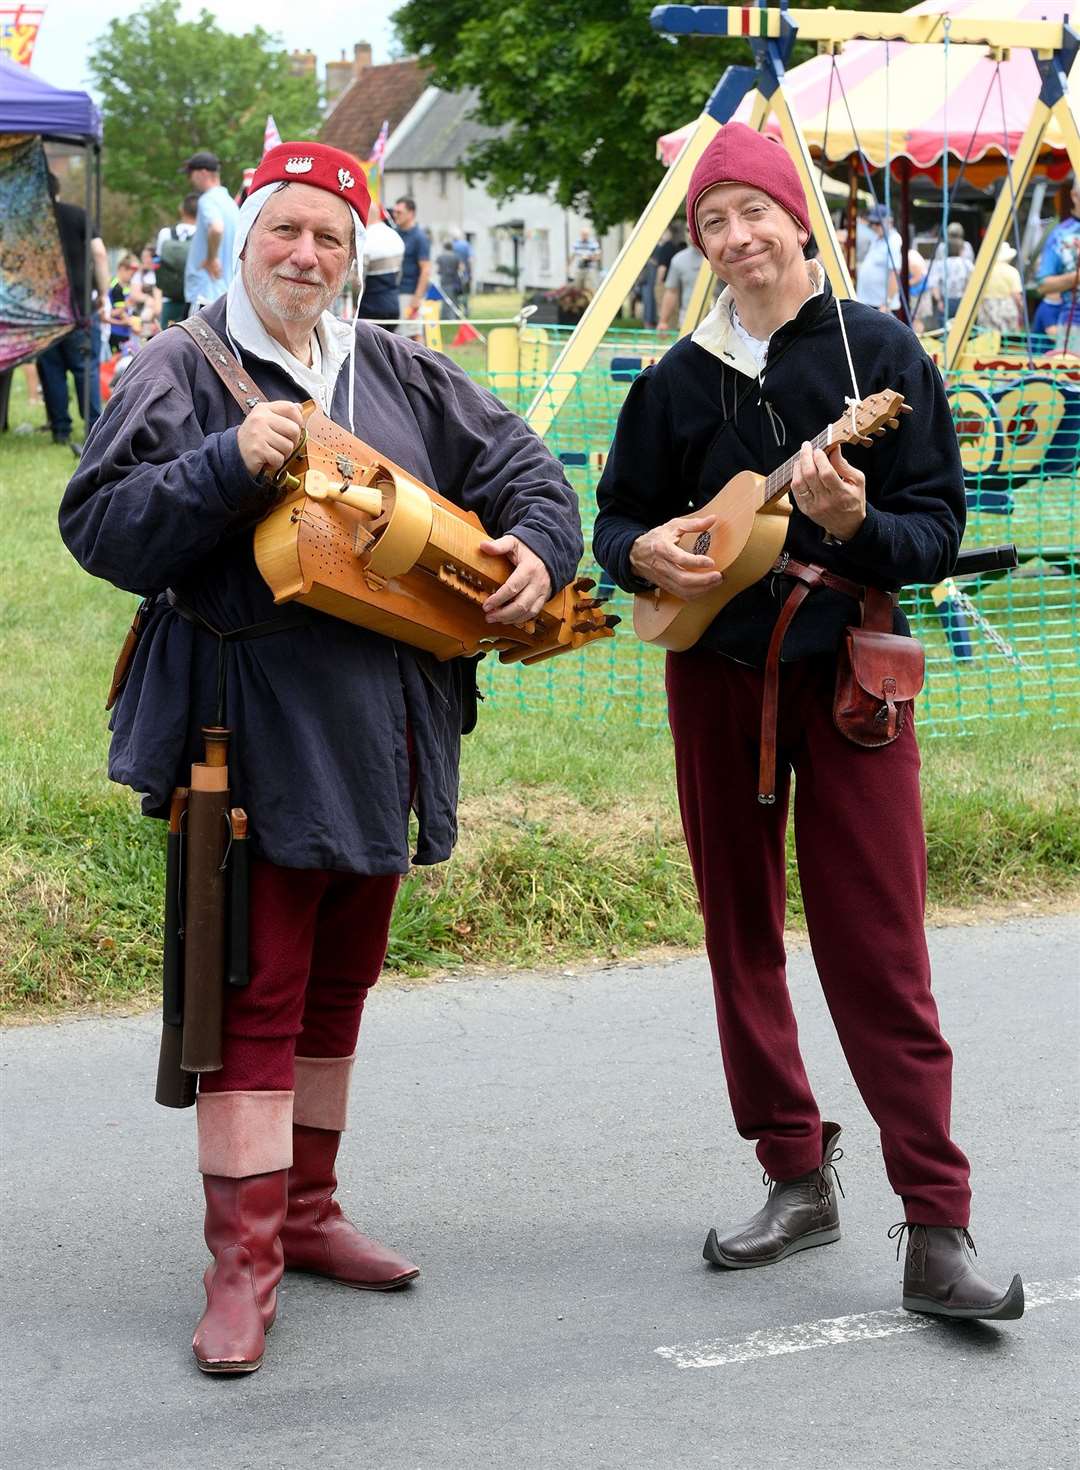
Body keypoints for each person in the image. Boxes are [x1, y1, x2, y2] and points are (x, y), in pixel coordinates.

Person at [58, 141, 584, 1376]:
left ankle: (306, 1210)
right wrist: (222, 465)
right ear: (243, 240)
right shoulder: (181, 370)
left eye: (329, 239)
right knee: (254, 992)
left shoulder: (403, 368)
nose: (305, 254)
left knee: (339, 991)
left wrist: (539, 559)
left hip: (389, 736)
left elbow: (530, 478)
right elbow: (98, 526)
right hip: (244, 734)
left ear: (355, 257)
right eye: (285, 231)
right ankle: (241, 1263)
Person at [593, 121, 1023, 1323]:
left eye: (751, 215)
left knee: (879, 952)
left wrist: (856, 519)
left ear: (796, 218)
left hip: (851, 689)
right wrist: (648, 554)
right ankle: (794, 1170)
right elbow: (614, 523)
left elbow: (932, 532)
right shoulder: (676, 380)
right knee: (740, 936)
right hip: (715, 683)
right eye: (711, 223)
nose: (733, 240)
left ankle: (937, 1225)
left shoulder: (879, 354)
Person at [35, 172, 110, 448]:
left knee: (50, 368)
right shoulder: (78, 215)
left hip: (42, 308)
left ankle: (60, 430)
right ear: (58, 189)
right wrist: (103, 293)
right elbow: (99, 253)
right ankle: (93, 426)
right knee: (85, 366)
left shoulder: (32, 222)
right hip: (79, 304)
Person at [182, 150, 240, 310]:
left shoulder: (207, 200)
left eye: (190, 174)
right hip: (224, 294)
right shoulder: (230, 203)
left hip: (204, 294)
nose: (190, 179)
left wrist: (211, 259)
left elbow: (216, 228)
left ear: (202, 173)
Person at [1034, 177, 1080, 340]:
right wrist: (1076, 278)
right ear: (1074, 196)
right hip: (1074, 324)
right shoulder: (1060, 234)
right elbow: (1043, 285)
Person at [390, 195, 431, 338]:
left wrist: (417, 298)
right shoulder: (394, 233)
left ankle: (421, 361)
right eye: (394, 211)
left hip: (409, 293)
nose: (395, 215)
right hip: (393, 292)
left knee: (413, 335)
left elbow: (426, 269)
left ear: (411, 213)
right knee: (396, 336)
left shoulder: (420, 237)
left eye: (399, 212)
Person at [155, 194, 198, 327]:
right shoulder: (203, 235)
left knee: (167, 339)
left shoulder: (165, 233)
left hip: (169, 299)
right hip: (193, 299)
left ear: (182, 210)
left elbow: (158, 264)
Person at [357, 211, 404, 326]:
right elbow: (399, 275)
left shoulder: (366, 239)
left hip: (370, 308)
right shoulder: (395, 236)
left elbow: (358, 280)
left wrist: (354, 305)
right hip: (393, 305)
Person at [855, 204, 903, 312]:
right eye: (872, 223)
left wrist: (887, 303)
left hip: (881, 306)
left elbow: (895, 274)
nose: (874, 226)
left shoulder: (893, 241)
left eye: (877, 223)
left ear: (889, 222)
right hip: (870, 303)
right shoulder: (877, 239)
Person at [977, 240, 1024, 336]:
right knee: (1007, 339)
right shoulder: (1012, 272)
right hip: (1007, 307)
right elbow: (1016, 295)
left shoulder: (983, 271)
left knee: (987, 338)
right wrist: (1020, 310)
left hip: (986, 307)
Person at [657, 241, 706, 332]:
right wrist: (663, 321)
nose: (691, 233)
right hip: (688, 319)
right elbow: (671, 291)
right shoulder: (679, 259)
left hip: (722, 316)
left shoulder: (722, 254)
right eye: (688, 230)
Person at [435, 238, 463, 315]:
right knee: (454, 300)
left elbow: (437, 270)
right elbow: (461, 268)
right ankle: (454, 316)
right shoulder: (456, 256)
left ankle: (445, 317)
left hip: (443, 281)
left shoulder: (440, 257)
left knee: (445, 300)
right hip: (454, 281)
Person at [568, 226, 601, 290]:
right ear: (581, 234)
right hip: (580, 268)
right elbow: (572, 255)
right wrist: (568, 266)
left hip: (590, 268)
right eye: (583, 234)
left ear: (588, 235)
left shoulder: (593, 243)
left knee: (591, 286)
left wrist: (590, 258)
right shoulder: (577, 243)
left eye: (586, 234)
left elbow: (598, 257)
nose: (584, 236)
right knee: (577, 287)